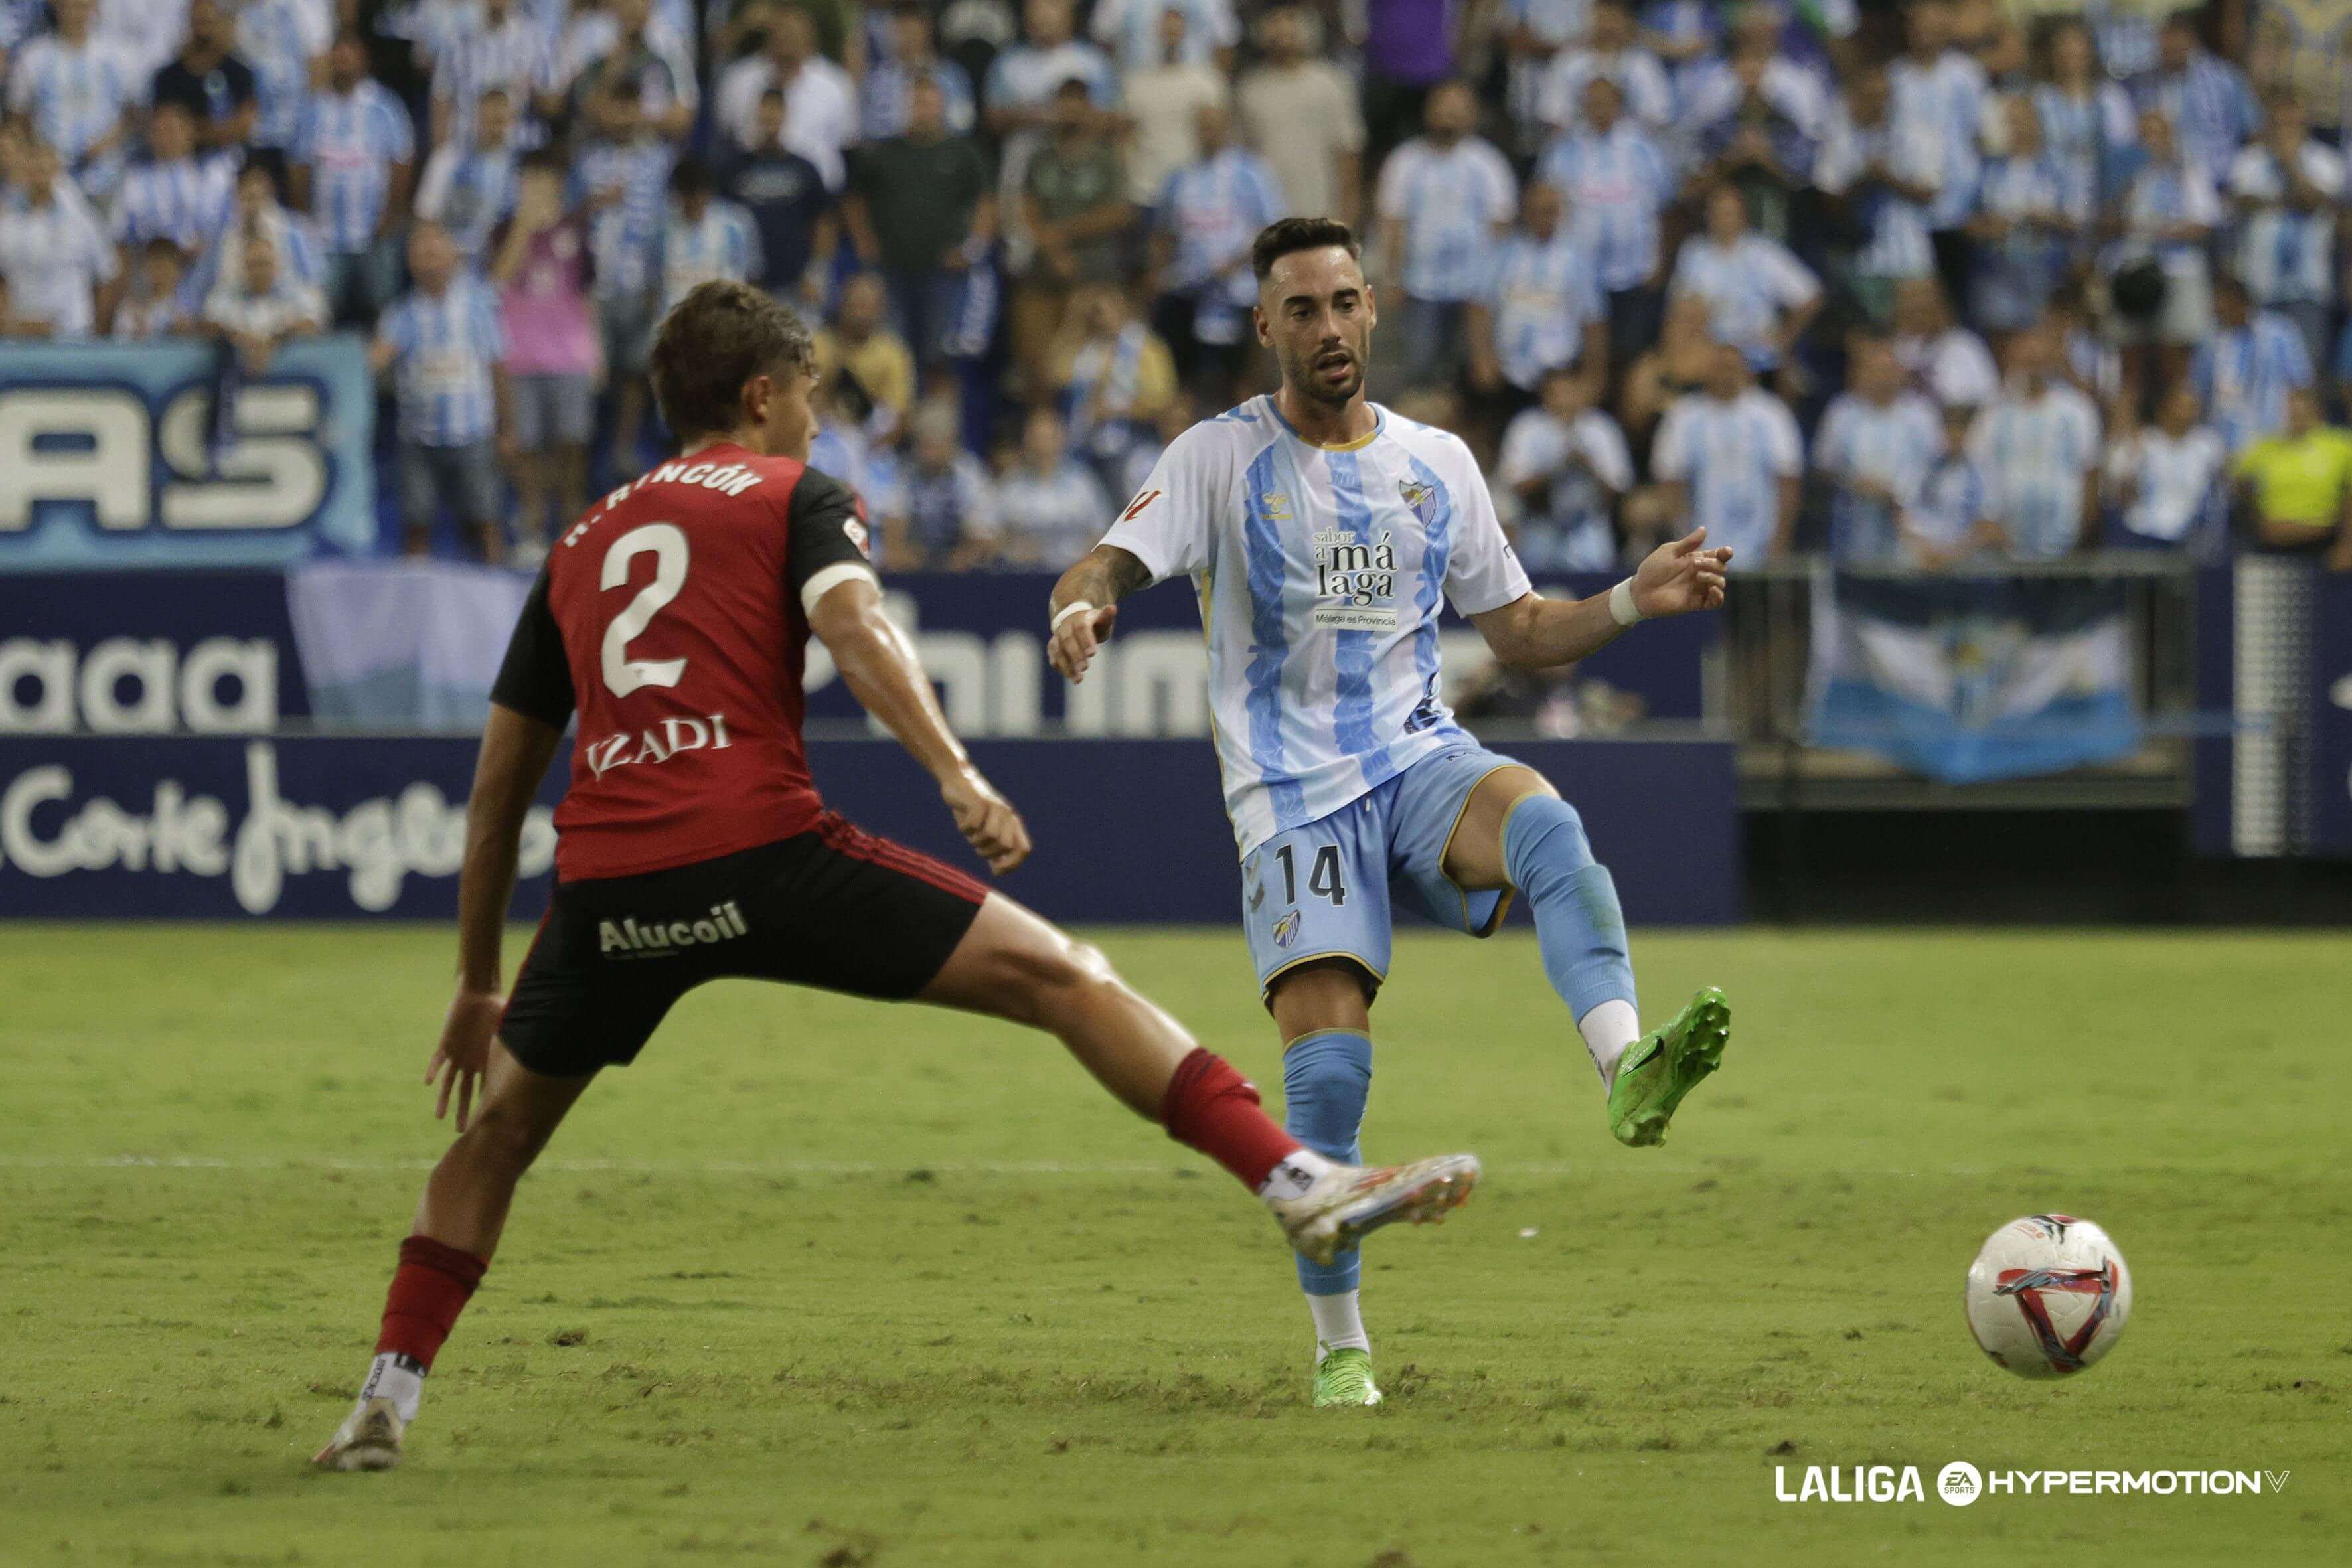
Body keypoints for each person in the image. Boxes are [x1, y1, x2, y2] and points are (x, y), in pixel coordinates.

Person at [312, 278, 1479, 1470]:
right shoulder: (795, 495)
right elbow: (857, 627)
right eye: (810, 397)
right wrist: (956, 774)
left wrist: (474, 981)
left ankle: (383, 1399)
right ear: (762, 396)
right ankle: (1293, 1180)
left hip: (610, 886)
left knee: (495, 1136)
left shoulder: (580, 541)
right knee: (1064, 978)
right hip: (762, 849)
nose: (818, 422)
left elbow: (500, 787)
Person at [1045, 217, 1735, 1409]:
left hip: (1415, 760)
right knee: (1326, 1084)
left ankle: (1626, 1066)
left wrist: (1631, 596)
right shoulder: (1216, 457)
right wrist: (1082, 606)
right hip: (1289, 801)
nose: (1326, 327)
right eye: (1301, 309)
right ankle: (1341, 1347)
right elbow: (1107, 558)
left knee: (1549, 827)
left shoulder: (1434, 462)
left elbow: (1518, 633)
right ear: (1266, 328)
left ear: (1373, 311)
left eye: (1344, 302)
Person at [372, 222, 514, 561]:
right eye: (420, 252)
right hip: (419, 441)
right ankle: (414, 603)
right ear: (410, 262)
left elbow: (497, 367)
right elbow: (376, 360)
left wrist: (507, 429)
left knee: (485, 522)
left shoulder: (478, 306)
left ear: (453, 256)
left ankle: (499, 603)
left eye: (436, 250)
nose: (429, 259)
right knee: (416, 526)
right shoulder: (401, 314)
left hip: (473, 433)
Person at [1373, 79, 1518, 389]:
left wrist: (1494, 285)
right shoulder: (1405, 161)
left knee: (1471, 378)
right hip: (1420, 288)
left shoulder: (1488, 164)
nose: (1449, 116)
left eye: (1458, 109)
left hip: (1475, 292)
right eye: (1443, 108)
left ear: (1473, 115)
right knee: (1419, 373)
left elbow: (1501, 228)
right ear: (1428, 112)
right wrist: (1393, 278)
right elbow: (1393, 223)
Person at [493, 151, 599, 561]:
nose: (537, 186)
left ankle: (573, 528)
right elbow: (498, 279)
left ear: (559, 183)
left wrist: (597, 354)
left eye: (545, 178)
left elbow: (588, 294)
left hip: (570, 355)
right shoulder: (504, 229)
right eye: (529, 178)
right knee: (527, 449)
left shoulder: (578, 229)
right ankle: (532, 528)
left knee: (573, 444)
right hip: (519, 355)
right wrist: (525, 225)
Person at [1149, 100, 1283, 410]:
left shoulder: (1252, 172)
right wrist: (1159, 273)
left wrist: (1234, 264)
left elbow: (1271, 230)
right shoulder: (1179, 177)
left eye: (1214, 125)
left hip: (1240, 292)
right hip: (1190, 290)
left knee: (1242, 376)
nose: (1208, 132)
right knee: (1188, 375)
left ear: (1227, 128)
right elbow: (1164, 233)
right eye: (1202, 126)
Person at [1536, 75, 1672, 368]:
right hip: (1579, 272)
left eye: (1607, 102)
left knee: (1630, 353)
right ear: (1583, 106)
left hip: (1635, 270)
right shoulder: (1563, 150)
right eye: (1593, 103)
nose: (1600, 109)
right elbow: (1546, 206)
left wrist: (1659, 261)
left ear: (1620, 106)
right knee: (1581, 353)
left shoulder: (1643, 149)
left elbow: (1662, 209)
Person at [293, 31, 415, 328]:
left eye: (352, 53)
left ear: (364, 60)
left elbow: (402, 161)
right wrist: (304, 219)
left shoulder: (386, 106)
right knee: (318, 313)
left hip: (374, 234)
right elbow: (297, 166)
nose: (345, 60)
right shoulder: (312, 109)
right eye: (339, 53)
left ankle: (386, 373)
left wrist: (390, 215)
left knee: (385, 312)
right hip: (324, 237)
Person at [1650, 341, 1803, 566]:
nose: (1726, 376)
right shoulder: (1683, 416)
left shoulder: (1771, 414)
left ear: (1746, 372)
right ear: (1707, 372)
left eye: (1732, 368)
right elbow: (1670, 482)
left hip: (1761, 544)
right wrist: (1683, 542)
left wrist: (1779, 542)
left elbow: (1789, 480)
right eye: (1719, 368)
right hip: (1701, 545)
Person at [1467, 178, 1605, 418]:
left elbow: (1594, 323)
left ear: (1560, 212)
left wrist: (1592, 379)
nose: (1543, 217)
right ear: (1525, 212)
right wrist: (1483, 358)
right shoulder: (1502, 254)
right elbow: (1480, 308)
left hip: (1560, 373)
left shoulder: (1577, 260)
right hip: (1508, 373)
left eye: (1549, 210)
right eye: (1536, 210)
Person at [1966, 324, 2102, 559]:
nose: (2032, 367)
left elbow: (2090, 473)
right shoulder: (1993, 412)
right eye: (2025, 359)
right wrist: (1987, 524)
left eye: (2037, 359)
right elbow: (1975, 471)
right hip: (2004, 544)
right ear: (2012, 360)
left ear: (2051, 359)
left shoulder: (2077, 409)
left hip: (2064, 542)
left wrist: (2081, 531)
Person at [2227, 92, 2341, 370]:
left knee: (2304, 373)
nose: (2286, 130)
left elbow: (2315, 202)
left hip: (2308, 289)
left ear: (2305, 124)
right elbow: (2240, 201)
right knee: (2262, 371)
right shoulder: (2248, 162)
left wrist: (2290, 163)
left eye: (2293, 123)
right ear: (2268, 125)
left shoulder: (2326, 161)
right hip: (2260, 287)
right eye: (2280, 124)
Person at [1667, 183, 1820, 385]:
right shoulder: (1694, 252)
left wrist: (1783, 338)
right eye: (1718, 213)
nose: (1723, 220)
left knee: (1787, 373)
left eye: (1730, 213)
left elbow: (1811, 296)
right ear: (1707, 216)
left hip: (1755, 355)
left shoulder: (1763, 253)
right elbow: (1678, 309)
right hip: (1709, 355)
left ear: (1743, 216)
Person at [1814, 331, 1944, 562]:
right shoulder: (1842, 413)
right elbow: (1824, 468)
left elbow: (1938, 467)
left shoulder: (1921, 414)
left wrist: (1902, 492)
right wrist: (1855, 482)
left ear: (1901, 374)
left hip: (1912, 528)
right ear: (1861, 373)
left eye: (1888, 371)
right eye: (1875, 371)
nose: (1882, 378)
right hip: (1854, 528)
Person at [1496, 363, 1634, 572]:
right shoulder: (1527, 427)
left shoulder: (1601, 428)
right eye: (1557, 393)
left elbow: (1619, 491)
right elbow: (1515, 486)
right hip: (1540, 528)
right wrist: (1555, 471)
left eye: (1569, 392)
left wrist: (1588, 467)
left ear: (1581, 392)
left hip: (1589, 528)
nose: (1564, 400)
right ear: (1545, 396)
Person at [1235, 6, 1363, 227]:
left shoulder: (1332, 84)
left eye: (1290, 20)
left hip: (1321, 211)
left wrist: (1346, 216)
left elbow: (1348, 153)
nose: (1282, 29)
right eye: (1274, 22)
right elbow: (1241, 159)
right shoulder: (1249, 90)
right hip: (1266, 217)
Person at [8, 0, 143, 201]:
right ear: (55, 5)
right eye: (69, 4)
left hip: (106, 179)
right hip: (51, 181)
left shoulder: (119, 57)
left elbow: (134, 116)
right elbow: (18, 120)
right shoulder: (33, 57)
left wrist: (107, 143)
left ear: (94, 6)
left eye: (82, 3)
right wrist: (40, 155)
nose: (75, 10)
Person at [717, 86, 836, 310]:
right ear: (756, 115)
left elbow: (824, 222)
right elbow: (720, 223)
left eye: (776, 109)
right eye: (765, 109)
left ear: (785, 115)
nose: (770, 115)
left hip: (794, 286)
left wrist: (816, 274)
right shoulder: (734, 169)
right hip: (746, 287)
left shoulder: (804, 169)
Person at [0, 137, 119, 337]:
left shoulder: (82, 221)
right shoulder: (7, 223)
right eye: (33, 169)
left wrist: (98, 331)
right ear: (23, 172)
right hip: (20, 337)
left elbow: (107, 275)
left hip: (72, 335)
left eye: (44, 169)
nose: (38, 176)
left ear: (56, 171)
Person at [2233, 386, 2352, 568]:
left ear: (2317, 412)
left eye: (2302, 412)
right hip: (2272, 544)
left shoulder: (2340, 445)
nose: (2296, 418)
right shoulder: (2267, 447)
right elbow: (2239, 480)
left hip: (2321, 544)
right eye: (2291, 413)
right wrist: (2256, 515)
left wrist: (2347, 545)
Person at [2197, 274, 2312, 454]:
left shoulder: (2280, 333)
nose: (2216, 309)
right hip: (2224, 441)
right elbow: (2199, 390)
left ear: (2241, 302)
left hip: (2273, 437)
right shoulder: (2211, 340)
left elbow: (2301, 384)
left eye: (2221, 302)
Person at [414, 84, 521, 274]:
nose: (495, 127)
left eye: (501, 120)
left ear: (512, 122)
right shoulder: (448, 159)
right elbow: (426, 217)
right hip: (452, 264)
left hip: (502, 265)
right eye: (489, 119)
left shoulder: (518, 169)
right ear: (476, 118)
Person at [2106, 382, 2225, 550]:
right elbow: (2117, 491)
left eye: (2192, 406)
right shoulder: (2144, 442)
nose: (2188, 413)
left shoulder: (2209, 445)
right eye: (2182, 406)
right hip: (2144, 533)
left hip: (2189, 537)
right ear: (2165, 407)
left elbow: (2222, 491)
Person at [108, 100, 232, 256]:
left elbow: (224, 227)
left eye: (171, 130)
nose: (166, 138)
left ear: (189, 132)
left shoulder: (213, 176)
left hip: (206, 263)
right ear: (150, 137)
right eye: (158, 131)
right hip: (153, 266)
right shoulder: (134, 180)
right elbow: (121, 236)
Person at [994, 403, 1111, 567]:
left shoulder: (1083, 483)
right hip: (1023, 576)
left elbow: (1102, 533)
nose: (1042, 445)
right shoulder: (1010, 485)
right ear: (1026, 440)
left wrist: (1086, 558)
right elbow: (990, 533)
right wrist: (1011, 549)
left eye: (1048, 437)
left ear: (1061, 439)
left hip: (1075, 576)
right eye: (1037, 437)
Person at [202, 224, 325, 374]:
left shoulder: (297, 292)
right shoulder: (224, 294)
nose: (259, 270)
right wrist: (244, 340)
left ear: (276, 265)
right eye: (253, 264)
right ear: (243, 267)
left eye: (264, 263)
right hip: (234, 372)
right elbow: (209, 325)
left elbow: (312, 324)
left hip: (292, 373)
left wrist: (274, 340)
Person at [1899, 400, 2001, 565]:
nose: (1955, 436)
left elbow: (1988, 526)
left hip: (1965, 563)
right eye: (1950, 429)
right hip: (1923, 559)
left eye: (1960, 430)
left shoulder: (1984, 472)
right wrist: (1925, 551)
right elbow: (1903, 515)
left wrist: (1952, 556)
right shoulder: (1922, 468)